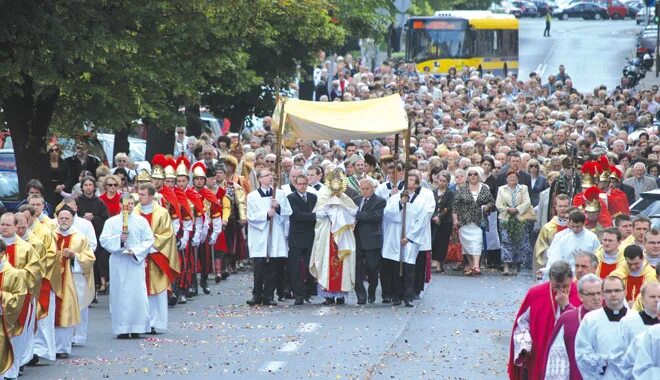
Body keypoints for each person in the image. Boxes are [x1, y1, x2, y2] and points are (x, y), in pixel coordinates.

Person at [508, 261, 581, 380]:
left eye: (565, 286)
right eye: (557, 286)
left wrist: (566, 305)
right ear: (550, 280)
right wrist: (524, 345)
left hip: (571, 352)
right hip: (542, 350)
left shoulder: (581, 292)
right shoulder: (536, 293)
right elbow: (522, 323)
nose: (561, 290)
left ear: (571, 279)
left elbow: (584, 320)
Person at [99, 194, 154, 339]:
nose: (128, 206)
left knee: (137, 294)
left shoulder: (141, 221)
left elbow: (149, 239)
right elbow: (104, 240)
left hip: (134, 261)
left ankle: (137, 326)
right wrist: (119, 240)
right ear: (119, 204)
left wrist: (135, 251)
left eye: (131, 203)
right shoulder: (111, 222)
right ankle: (122, 327)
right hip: (119, 261)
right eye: (125, 203)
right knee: (120, 294)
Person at [134, 183, 180, 333]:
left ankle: (155, 322)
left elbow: (167, 234)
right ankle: (141, 322)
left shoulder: (161, 213)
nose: (139, 197)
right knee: (140, 291)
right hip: (139, 257)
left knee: (156, 292)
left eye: (143, 195)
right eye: (139, 194)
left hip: (156, 256)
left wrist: (149, 245)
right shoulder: (134, 211)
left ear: (151, 196)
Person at [0, 212, 40, 378]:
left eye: (8, 225)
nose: (4, 228)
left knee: (16, 334)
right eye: (2, 224)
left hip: (19, 296)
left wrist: (14, 275)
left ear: (16, 227)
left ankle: (13, 368)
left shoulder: (26, 247)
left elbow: (35, 271)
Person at [52, 207, 95, 358]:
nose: (64, 221)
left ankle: (63, 347)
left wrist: (74, 256)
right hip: (52, 281)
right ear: (57, 219)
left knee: (67, 311)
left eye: (67, 218)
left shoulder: (79, 237)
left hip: (72, 280)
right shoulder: (49, 236)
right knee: (52, 311)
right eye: (61, 218)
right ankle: (51, 348)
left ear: (72, 220)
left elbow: (89, 258)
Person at [310, 168, 357, 306]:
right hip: (327, 233)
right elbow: (317, 212)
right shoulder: (322, 195)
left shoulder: (346, 197)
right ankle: (328, 295)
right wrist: (328, 209)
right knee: (325, 261)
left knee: (343, 262)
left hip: (342, 236)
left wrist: (341, 208)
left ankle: (341, 294)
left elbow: (353, 212)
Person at [542, 274, 603, 380]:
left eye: (599, 293)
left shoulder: (614, 319)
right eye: (591, 294)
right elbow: (557, 358)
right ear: (580, 296)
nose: (596, 298)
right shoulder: (568, 320)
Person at [245, 168, 291, 306]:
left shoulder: (280, 194)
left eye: (271, 175)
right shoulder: (252, 196)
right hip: (260, 235)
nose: (270, 177)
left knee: (272, 268)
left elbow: (288, 212)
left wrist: (278, 208)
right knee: (259, 268)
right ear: (259, 179)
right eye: (266, 175)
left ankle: (269, 295)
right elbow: (251, 216)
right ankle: (256, 294)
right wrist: (266, 215)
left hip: (275, 234)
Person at [381, 172, 426, 307]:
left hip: (410, 237)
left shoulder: (420, 201)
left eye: (412, 180)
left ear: (417, 185)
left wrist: (410, 237)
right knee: (395, 268)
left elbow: (421, 221)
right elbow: (388, 214)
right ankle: (396, 295)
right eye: (408, 179)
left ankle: (408, 296)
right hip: (395, 234)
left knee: (408, 269)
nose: (409, 182)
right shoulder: (395, 198)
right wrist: (401, 203)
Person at [575, 276, 629, 379]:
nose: (613, 294)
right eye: (608, 291)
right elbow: (582, 353)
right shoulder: (591, 319)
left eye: (617, 290)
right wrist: (605, 361)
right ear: (603, 294)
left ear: (625, 292)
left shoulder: (636, 319)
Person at [609, 282, 660, 379]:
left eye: (659, 296)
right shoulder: (628, 322)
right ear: (642, 299)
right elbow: (617, 355)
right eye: (652, 297)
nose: (657, 300)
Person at [453, 166, 495, 276]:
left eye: (475, 174)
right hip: (464, 220)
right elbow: (455, 205)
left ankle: (476, 265)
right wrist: (455, 219)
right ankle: (471, 265)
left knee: (477, 242)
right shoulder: (462, 188)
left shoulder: (484, 188)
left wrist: (486, 207)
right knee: (466, 244)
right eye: (470, 174)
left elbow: (492, 201)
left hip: (478, 220)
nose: (472, 176)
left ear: (479, 175)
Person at [286, 174, 318, 305]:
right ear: (295, 185)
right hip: (296, 236)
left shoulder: (313, 197)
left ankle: (308, 292)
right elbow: (296, 215)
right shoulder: (291, 198)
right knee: (295, 267)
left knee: (309, 265)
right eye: (299, 184)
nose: (302, 186)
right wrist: (314, 216)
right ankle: (298, 293)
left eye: (305, 184)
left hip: (310, 235)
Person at [353, 178, 385, 304]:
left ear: (373, 189)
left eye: (367, 189)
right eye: (362, 189)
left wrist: (357, 214)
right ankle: (360, 294)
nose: (365, 191)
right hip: (356, 239)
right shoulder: (356, 200)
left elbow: (375, 217)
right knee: (357, 268)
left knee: (372, 268)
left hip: (372, 239)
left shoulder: (380, 201)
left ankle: (372, 290)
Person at [0, 240, 28, 377]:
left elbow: (19, 296)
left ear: (2, 254)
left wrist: (2, 296)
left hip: (3, 318)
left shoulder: (13, 273)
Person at [497, 170, 533, 275]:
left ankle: (517, 265)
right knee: (506, 241)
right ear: (506, 179)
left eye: (514, 177)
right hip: (505, 218)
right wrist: (508, 209)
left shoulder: (523, 188)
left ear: (518, 178)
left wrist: (517, 209)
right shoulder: (501, 189)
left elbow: (527, 202)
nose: (512, 179)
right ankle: (506, 266)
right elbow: (499, 204)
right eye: (510, 177)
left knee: (520, 241)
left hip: (519, 218)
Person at [544, 210, 600, 278]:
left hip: (586, 275)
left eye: (578, 226)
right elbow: (555, 258)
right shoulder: (564, 239)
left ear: (583, 223)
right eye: (573, 226)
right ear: (569, 223)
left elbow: (598, 258)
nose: (575, 229)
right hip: (568, 275)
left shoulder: (592, 238)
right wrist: (546, 270)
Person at [534, 194, 570, 269]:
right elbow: (540, 250)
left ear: (570, 206)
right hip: (552, 265)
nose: (563, 209)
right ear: (555, 207)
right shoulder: (548, 228)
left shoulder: (574, 227)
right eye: (560, 206)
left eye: (565, 206)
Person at [431, 170, 454, 274]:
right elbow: (431, 206)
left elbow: (449, 207)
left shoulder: (450, 193)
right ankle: (433, 259)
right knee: (434, 240)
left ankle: (440, 263)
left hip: (446, 221)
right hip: (433, 220)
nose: (442, 183)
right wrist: (434, 216)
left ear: (448, 182)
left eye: (444, 181)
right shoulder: (433, 192)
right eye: (440, 180)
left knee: (443, 242)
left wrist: (440, 217)